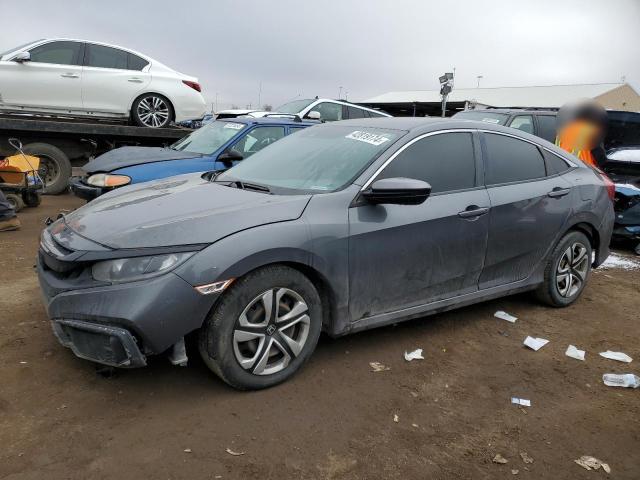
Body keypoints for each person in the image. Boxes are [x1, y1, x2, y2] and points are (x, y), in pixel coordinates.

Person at [555, 99, 608, 168]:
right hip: (585, 170)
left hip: (563, 168)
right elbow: (600, 158)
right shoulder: (592, 131)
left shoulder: (564, 130)